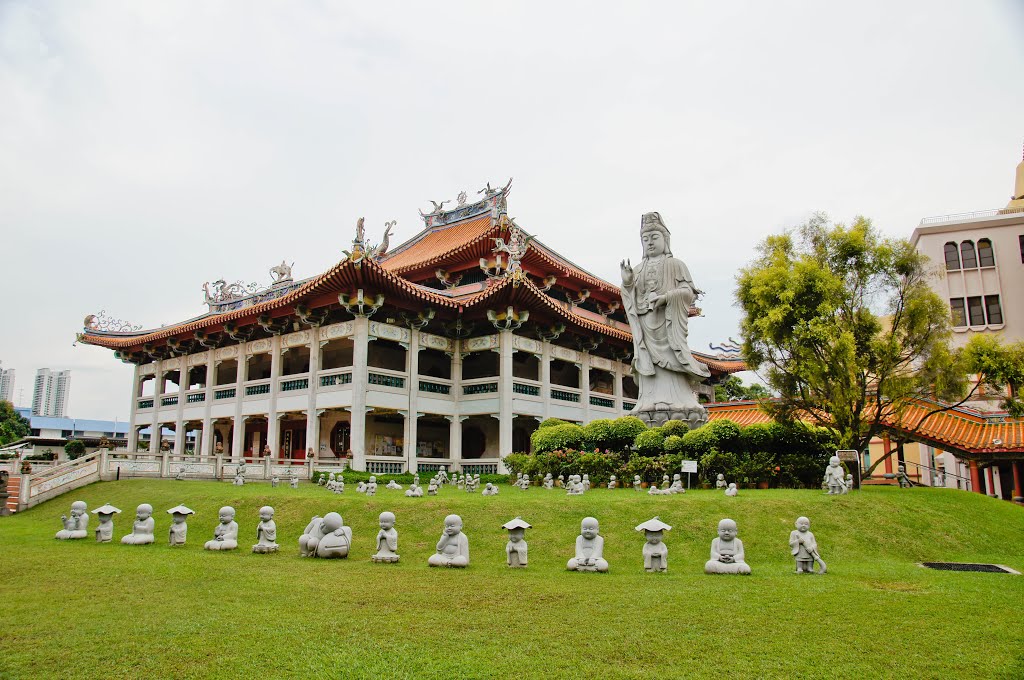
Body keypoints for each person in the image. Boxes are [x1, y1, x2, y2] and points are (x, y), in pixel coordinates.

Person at [620, 212, 710, 425]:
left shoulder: (676, 265)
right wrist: (627, 284)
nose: (650, 242)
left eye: (654, 237)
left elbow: (688, 293)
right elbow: (630, 298)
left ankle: (678, 399)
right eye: (645, 239)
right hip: (645, 327)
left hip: (668, 327)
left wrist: (667, 298)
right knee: (650, 370)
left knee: (671, 364)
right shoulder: (638, 269)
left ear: (665, 240)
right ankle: (648, 400)